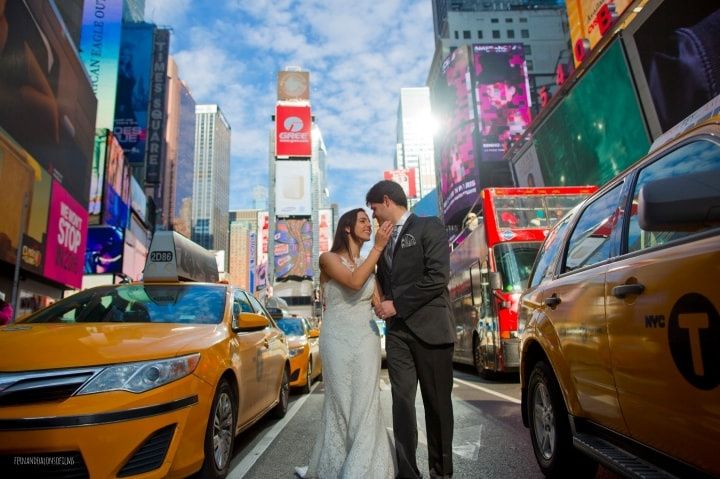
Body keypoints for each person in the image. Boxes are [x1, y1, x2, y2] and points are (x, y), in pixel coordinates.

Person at [296, 208, 394, 478]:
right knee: (340, 403)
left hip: (366, 338)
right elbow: (353, 282)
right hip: (337, 339)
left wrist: (396, 303)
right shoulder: (327, 259)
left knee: (365, 402)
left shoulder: (368, 264)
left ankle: (363, 470)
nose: (368, 225)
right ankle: (337, 465)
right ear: (347, 228)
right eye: (362, 221)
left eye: (369, 222)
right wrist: (378, 249)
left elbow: (379, 305)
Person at [367, 180, 455, 479]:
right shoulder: (382, 240)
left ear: (388, 201)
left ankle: (441, 473)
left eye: (375, 208)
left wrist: (397, 304)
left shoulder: (429, 226)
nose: (374, 216)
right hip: (398, 334)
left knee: (437, 405)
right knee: (402, 402)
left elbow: (437, 277)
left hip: (431, 329)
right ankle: (407, 473)